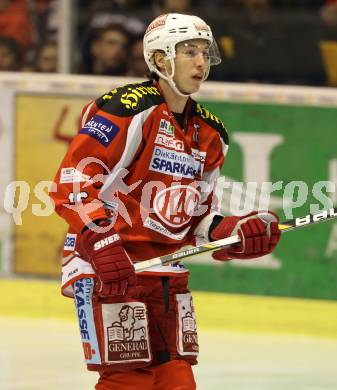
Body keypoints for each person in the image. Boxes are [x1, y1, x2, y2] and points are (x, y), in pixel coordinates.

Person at [50, 13, 281, 389]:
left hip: (167, 275)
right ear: (159, 60)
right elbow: (73, 181)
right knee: (129, 380)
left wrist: (237, 232)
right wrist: (101, 242)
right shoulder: (126, 108)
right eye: (189, 51)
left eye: (205, 52)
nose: (201, 62)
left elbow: (197, 220)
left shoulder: (210, 133)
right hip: (112, 270)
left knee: (177, 379)